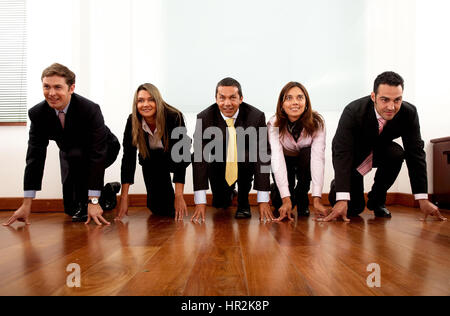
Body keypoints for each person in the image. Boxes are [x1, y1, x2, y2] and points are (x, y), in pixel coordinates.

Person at [3, 63, 121, 227]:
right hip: (69, 151)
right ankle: (108, 191)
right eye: (46, 87)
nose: (51, 93)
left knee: (83, 193)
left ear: (71, 88)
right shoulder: (37, 114)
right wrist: (27, 203)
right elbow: (34, 157)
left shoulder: (90, 109)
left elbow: (97, 153)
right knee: (71, 208)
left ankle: (93, 200)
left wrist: (93, 201)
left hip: (105, 147)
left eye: (57, 87)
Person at [321, 71, 447, 222]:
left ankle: (377, 200)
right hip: (354, 157)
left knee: (397, 153)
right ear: (373, 97)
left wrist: (422, 198)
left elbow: (416, 153)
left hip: (382, 151)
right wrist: (342, 198)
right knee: (354, 210)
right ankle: (338, 187)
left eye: (397, 100)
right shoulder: (353, 111)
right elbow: (341, 152)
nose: (391, 107)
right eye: (385, 99)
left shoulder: (409, 113)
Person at [191, 78, 272, 222]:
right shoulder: (204, 118)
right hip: (219, 162)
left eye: (233, 98)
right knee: (220, 204)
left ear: (241, 99)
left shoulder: (256, 116)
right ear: (216, 99)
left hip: (245, 162)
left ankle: (243, 201)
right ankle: (228, 194)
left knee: (247, 155)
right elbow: (199, 158)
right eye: (222, 98)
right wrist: (200, 202)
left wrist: (263, 200)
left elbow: (263, 155)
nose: (227, 103)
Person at [116, 83, 191, 221]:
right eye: (141, 100)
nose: (146, 104)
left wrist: (179, 195)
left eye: (151, 99)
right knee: (159, 209)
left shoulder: (174, 116)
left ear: (158, 101)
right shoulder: (132, 120)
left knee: (181, 153)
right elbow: (128, 158)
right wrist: (124, 197)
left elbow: (180, 157)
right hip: (152, 161)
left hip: (174, 157)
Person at [268, 82, 328, 221]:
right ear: (281, 104)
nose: (295, 102)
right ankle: (277, 191)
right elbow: (277, 157)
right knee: (280, 204)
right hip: (284, 159)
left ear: (306, 102)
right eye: (289, 98)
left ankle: (302, 196)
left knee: (308, 155)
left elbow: (318, 158)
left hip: (304, 160)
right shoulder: (273, 124)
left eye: (300, 97)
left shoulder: (317, 123)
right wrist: (286, 199)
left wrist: (317, 199)